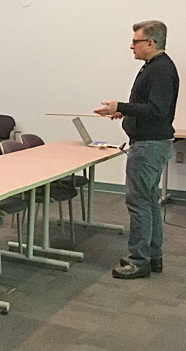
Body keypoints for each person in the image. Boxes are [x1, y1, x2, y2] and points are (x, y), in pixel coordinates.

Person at [94, 20, 179, 279]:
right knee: (149, 201)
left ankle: (139, 260)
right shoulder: (154, 67)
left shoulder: (161, 70)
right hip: (149, 143)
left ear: (150, 43)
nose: (131, 46)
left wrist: (122, 105)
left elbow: (157, 110)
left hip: (149, 146)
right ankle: (152, 256)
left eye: (136, 41)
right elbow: (150, 107)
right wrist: (124, 111)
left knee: (139, 202)